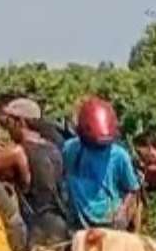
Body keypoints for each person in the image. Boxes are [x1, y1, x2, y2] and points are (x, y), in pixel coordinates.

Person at [0, 97, 69, 250]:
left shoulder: (17, 152)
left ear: (20, 121)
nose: (6, 130)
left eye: (7, 123)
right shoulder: (52, 147)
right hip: (61, 223)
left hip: (37, 228)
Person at [61, 97, 142, 230]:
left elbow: (132, 189)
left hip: (109, 218)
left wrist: (122, 211)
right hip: (77, 219)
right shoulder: (71, 149)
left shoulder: (120, 156)